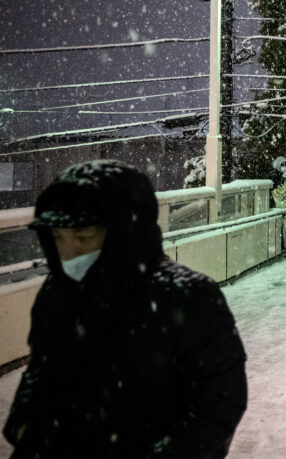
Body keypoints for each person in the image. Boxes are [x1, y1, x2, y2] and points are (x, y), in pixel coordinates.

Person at [3, 160, 247, 458]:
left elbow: (219, 404)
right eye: (57, 238)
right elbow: (42, 370)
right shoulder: (59, 292)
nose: (68, 254)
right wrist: (24, 428)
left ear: (125, 231)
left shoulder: (190, 297)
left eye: (83, 237)